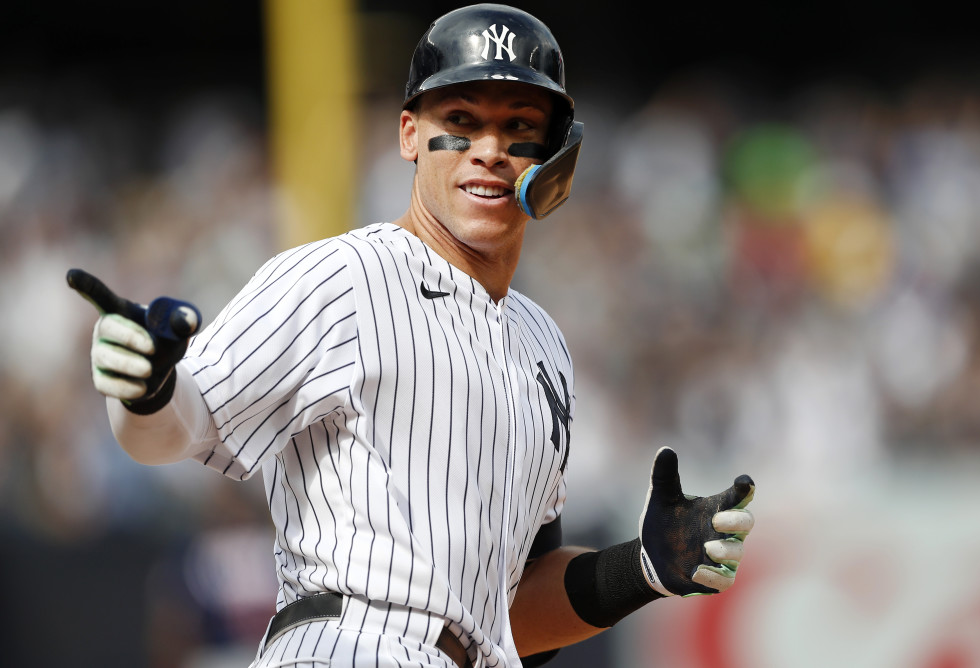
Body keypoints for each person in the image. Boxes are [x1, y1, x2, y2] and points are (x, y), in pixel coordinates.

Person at [69, 4, 756, 667]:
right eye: (460, 122)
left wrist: (641, 568)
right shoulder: (344, 275)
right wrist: (146, 392)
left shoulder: (543, 344)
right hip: (346, 645)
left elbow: (508, 614)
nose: (488, 151)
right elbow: (181, 426)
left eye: (519, 127)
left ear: (555, 160)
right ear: (408, 136)